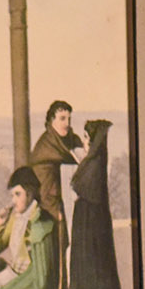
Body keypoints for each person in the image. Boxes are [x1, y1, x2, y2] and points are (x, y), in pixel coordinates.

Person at [67, 118, 124, 289]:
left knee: (92, 285)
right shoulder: (94, 162)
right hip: (87, 230)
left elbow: (78, 183)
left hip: (90, 234)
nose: (85, 142)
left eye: (87, 138)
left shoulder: (94, 164)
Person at [29, 99, 86, 258]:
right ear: (51, 121)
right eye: (62, 118)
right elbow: (43, 188)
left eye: (69, 119)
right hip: (50, 207)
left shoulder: (68, 139)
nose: (67, 123)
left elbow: (81, 158)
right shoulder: (46, 145)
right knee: (57, 250)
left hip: (65, 202)